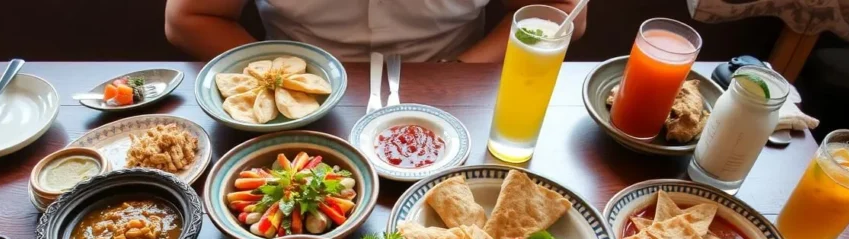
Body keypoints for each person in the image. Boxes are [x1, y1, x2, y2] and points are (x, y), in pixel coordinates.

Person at [165, 0, 587, 62]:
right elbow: (188, 18)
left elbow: (565, 11)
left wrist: (459, 71)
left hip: (461, 82)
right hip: (301, 92)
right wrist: (284, 76)